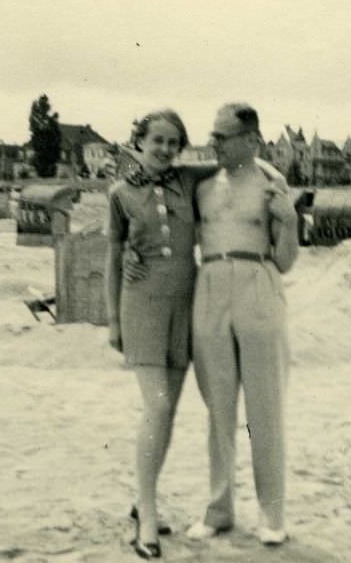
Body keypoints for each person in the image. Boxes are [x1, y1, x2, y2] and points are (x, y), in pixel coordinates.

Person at [185, 103, 298, 546]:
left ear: (251, 140)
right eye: (212, 135)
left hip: (258, 284)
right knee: (218, 410)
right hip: (210, 284)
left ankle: (272, 515)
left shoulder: (273, 188)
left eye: (223, 136)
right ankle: (219, 510)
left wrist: (288, 220)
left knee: (265, 410)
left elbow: (286, 260)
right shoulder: (203, 188)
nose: (214, 143)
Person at [105, 108, 215, 559]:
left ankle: (141, 499)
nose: (166, 150)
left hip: (186, 307)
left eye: (173, 142)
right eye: (157, 141)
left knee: (167, 413)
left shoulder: (189, 179)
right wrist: (112, 319)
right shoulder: (120, 192)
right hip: (142, 305)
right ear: (139, 141)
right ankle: (147, 514)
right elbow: (112, 254)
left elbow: (241, 163)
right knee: (159, 404)